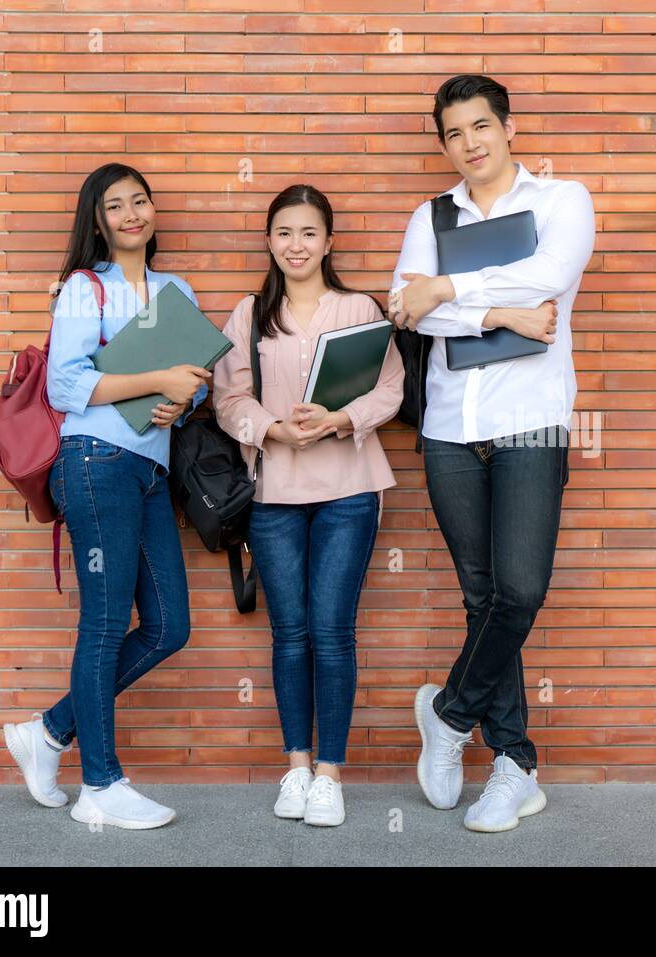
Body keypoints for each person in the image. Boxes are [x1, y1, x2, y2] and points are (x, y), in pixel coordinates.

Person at [390, 74, 595, 832]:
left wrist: (448, 288)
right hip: (449, 427)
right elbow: (406, 307)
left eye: (481, 126)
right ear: (442, 143)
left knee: (520, 588)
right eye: (453, 133)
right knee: (482, 597)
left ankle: (447, 712)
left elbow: (549, 281)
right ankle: (514, 762)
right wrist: (498, 308)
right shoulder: (430, 214)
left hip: (532, 422)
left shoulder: (561, 200)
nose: (469, 143)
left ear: (509, 127)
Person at [1, 162, 211, 830]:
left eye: (140, 201)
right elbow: (65, 386)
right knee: (103, 620)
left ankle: (49, 730)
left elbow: (197, 378)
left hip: (149, 471)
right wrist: (157, 376)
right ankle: (101, 783)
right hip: (94, 463)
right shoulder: (83, 290)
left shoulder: (174, 288)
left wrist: (180, 402)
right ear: (98, 220)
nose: (131, 214)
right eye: (116, 205)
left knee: (169, 624)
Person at [213, 184, 404, 826]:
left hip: (349, 489)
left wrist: (339, 419)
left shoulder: (359, 308)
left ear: (329, 240)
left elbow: (391, 389)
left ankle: (330, 775)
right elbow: (228, 399)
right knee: (289, 634)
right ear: (269, 241)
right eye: (284, 233)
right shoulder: (249, 314)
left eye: (309, 233)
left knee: (331, 632)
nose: (296, 245)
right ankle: (296, 767)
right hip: (273, 495)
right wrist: (272, 429)